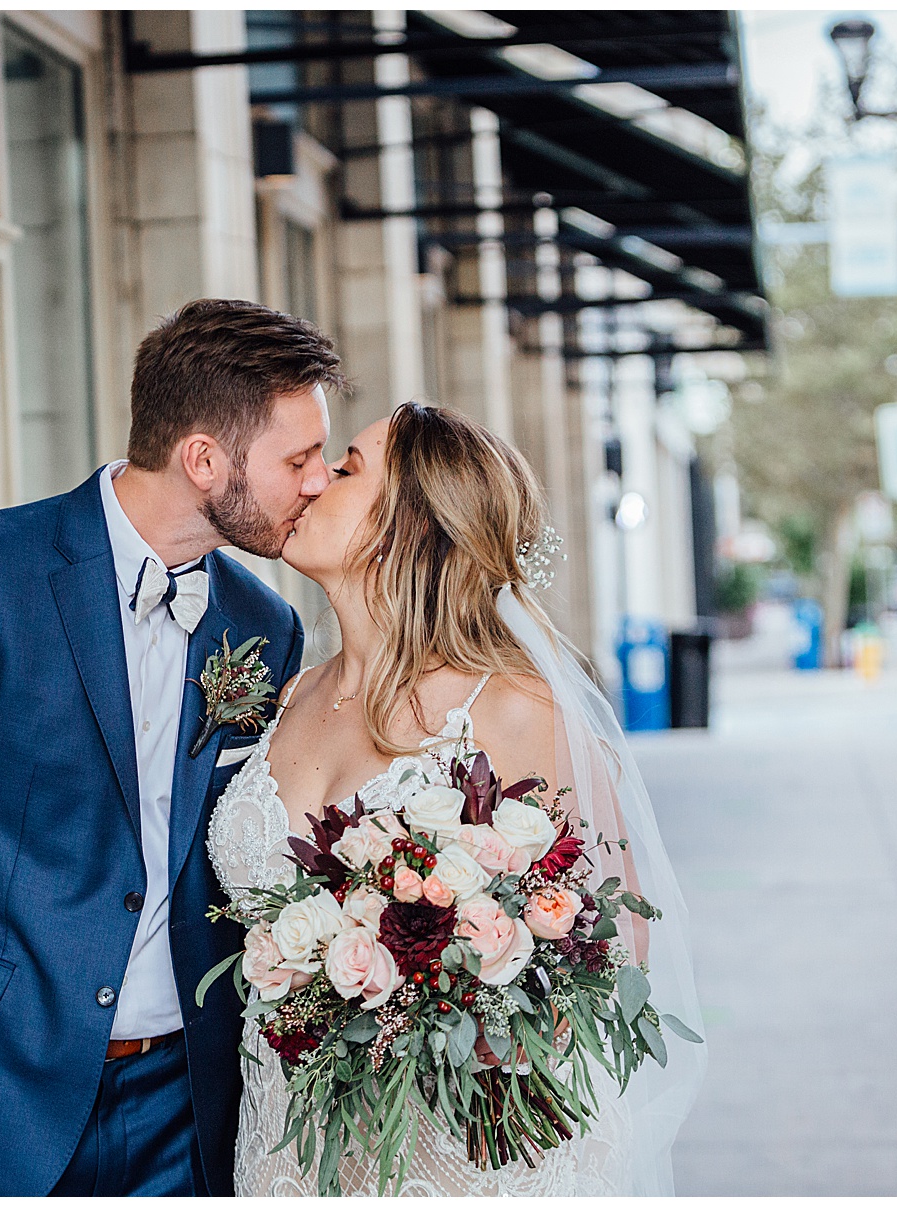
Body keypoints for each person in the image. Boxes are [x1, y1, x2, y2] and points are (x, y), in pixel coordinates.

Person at [0, 298, 346, 1195]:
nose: (317, 482)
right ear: (204, 458)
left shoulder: (262, 626)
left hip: (188, 1105)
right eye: (297, 459)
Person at [207, 403, 704, 1194]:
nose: (312, 480)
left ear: (410, 524)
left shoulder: (510, 707)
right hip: (288, 1139)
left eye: (345, 468)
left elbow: (613, 942)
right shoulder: (290, 690)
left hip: (465, 1154)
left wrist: (450, 987)